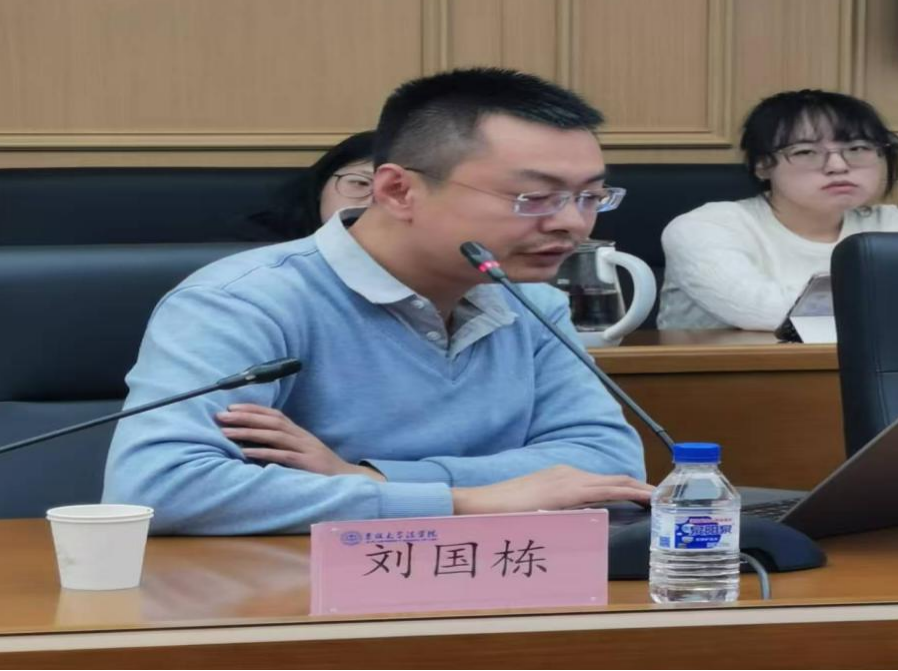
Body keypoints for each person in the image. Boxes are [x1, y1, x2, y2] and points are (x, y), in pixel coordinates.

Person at [103, 67, 650, 534]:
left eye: (590, 196)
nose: (572, 223)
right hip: (290, 598)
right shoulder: (245, 300)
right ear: (397, 191)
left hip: (497, 585)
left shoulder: (531, 302)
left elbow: (607, 466)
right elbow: (160, 487)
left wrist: (371, 478)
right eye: (535, 197)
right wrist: (461, 502)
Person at [658, 89, 898, 331]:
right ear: (763, 165)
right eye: (805, 152)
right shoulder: (704, 228)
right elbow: (766, 313)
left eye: (857, 149)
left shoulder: (890, 224)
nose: (838, 166)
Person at [246, 131, 375, 240]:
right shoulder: (255, 242)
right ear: (322, 184)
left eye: (386, 189)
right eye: (361, 183)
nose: (371, 202)